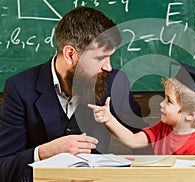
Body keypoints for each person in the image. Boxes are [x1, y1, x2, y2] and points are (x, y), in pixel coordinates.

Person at [0, 6, 147, 182]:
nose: (108, 67)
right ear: (71, 55)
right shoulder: (20, 89)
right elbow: (4, 167)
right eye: (100, 58)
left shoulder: (114, 82)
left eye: (110, 57)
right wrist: (45, 152)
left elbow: (147, 146)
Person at [89, 62, 195, 155]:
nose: (161, 104)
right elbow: (133, 139)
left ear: (191, 114)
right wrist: (108, 119)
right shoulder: (163, 128)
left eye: (169, 101)